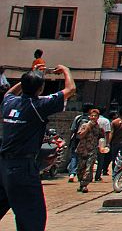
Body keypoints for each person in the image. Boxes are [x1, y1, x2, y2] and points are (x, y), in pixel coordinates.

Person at [0, 65, 77, 230]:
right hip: (22, 168)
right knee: (32, 217)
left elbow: (9, 93)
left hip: (4, 166)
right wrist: (65, 70)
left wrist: (29, 75)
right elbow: (70, 89)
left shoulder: (9, 103)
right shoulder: (38, 105)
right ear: (40, 89)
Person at [73, 107, 102, 194]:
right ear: (89, 116)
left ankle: (85, 185)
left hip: (92, 150)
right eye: (92, 116)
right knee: (80, 168)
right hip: (82, 149)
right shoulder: (84, 125)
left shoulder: (98, 127)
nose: (93, 117)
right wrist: (88, 127)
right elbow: (80, 136)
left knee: (89, 168)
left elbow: (101, 137)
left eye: (95, 116)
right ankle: (81, 183)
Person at [65, 103, 93, 183]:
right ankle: (82, 175)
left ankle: (72, 174)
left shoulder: (78, 118)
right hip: (86, 141)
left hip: (76, 140)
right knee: (84, 157)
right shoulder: (91, 120)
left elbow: (72, 130)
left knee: (74, 156)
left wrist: (70, 140)